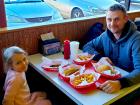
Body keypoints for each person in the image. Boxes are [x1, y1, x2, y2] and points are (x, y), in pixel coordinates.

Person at [83, 4, 140, 94]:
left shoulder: (136, 39)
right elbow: (87, 46)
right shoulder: (105, 35)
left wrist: (120, 83)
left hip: (130, 85)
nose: (112, 24)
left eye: (116, 19)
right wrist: (99, 58)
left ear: (125, 19)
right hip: (108, 80)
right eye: (109, 19)